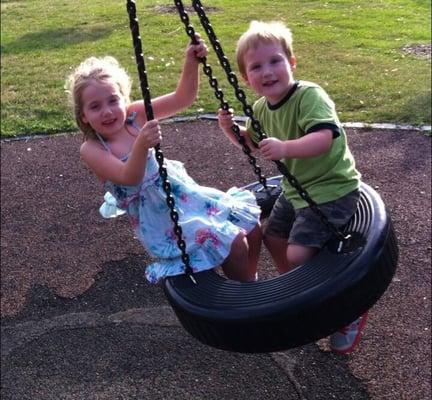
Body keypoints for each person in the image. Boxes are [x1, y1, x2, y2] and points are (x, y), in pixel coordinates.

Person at [218, 20, 367, 354]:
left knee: (298, 253)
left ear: (292, 63)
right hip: (296, 189)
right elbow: (253, 144)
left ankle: (348, 309)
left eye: (275, 61)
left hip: (331, 187)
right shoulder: (259, 108)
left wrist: (285, 148)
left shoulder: (309, 96)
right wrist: (231, 130)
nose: (267, 71)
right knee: (273, 236)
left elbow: (325, 138)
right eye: (256, 66)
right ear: (246, 78)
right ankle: (305, 295)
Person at [65, 34, 262, 285]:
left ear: (124, 99)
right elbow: (129, 176)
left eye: (113, 100)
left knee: (251, 225)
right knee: (234, 242)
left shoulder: (133, 115)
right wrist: (142, 144)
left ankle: (251, 281)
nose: (107, 111)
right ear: (83, 116)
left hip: (183, 194)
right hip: (160, 218)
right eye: (95, 106)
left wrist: (190, 62)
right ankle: (247, 293)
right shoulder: (91, 149)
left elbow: (183, 99)